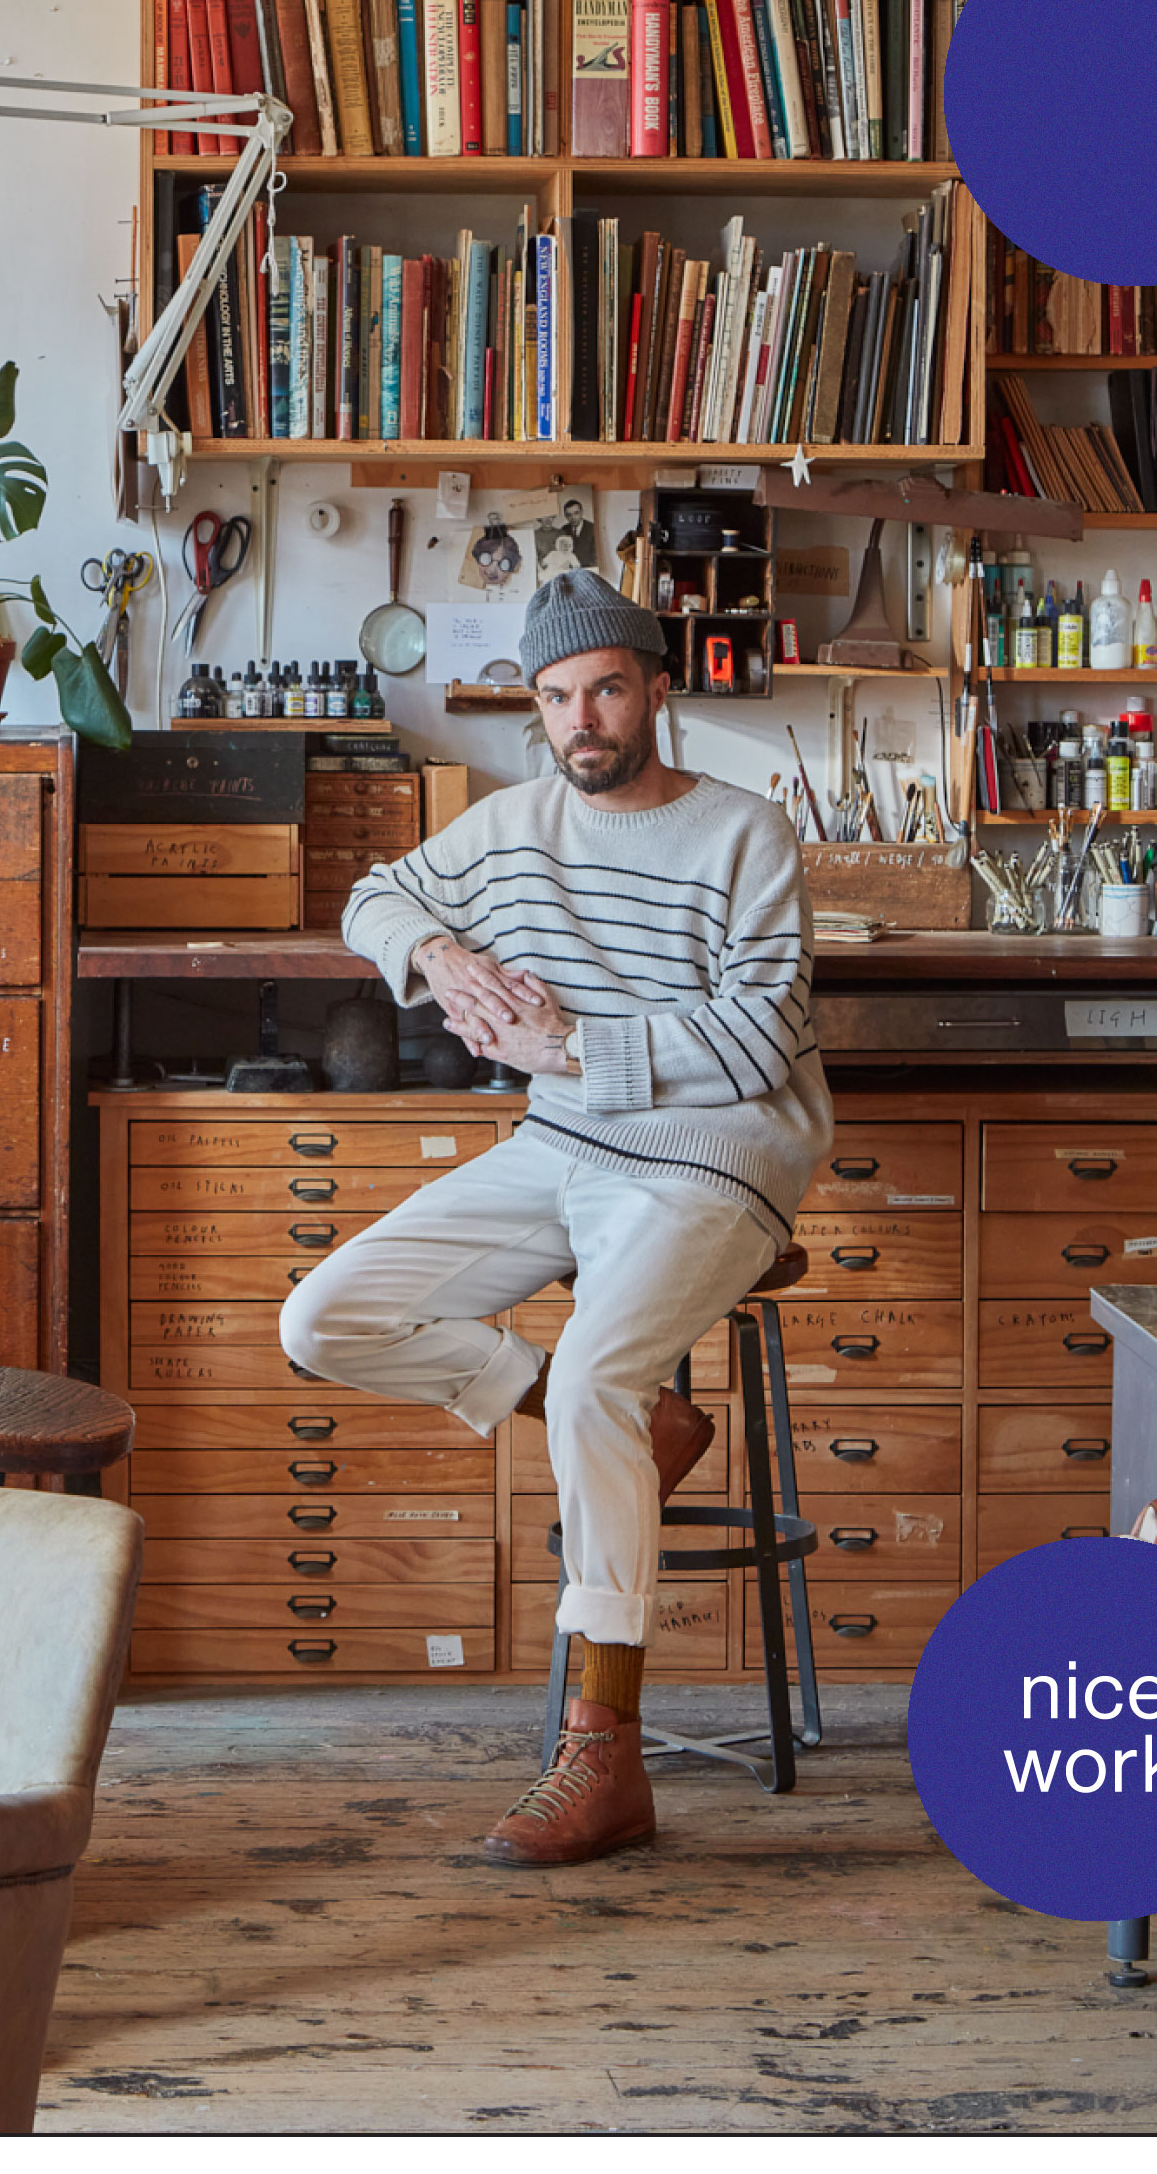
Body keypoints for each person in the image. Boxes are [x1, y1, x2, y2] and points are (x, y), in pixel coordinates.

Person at [279, 566, 834, 1865]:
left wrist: (575, 1045)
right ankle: (653, 1422)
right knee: (326, 1317)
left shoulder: (746, 833)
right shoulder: (514, 822)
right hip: (563, 1145)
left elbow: (768, 1034)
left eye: (604, 689)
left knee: (592, 1374)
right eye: (557, 697)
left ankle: (606, 1759)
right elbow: (371, 892)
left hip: (717, 1157)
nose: (582, 718)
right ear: (537, 711)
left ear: (655, 689)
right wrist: (439, 956)